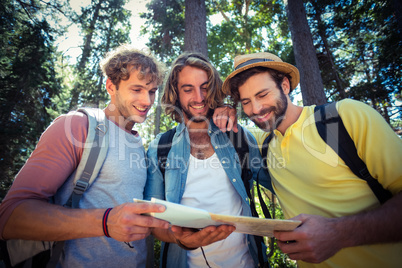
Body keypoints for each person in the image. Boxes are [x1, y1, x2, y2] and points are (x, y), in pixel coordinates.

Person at [213, 51, 402, 268]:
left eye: (263, 94)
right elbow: (224, 128)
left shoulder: (343, 118)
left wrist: (340, 234)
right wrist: (225, 110)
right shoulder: (263, 143)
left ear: (284, 85)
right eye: (246, 102)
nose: (255, 109)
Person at [0, 45, 172, 267]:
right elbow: (11, 216)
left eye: (152, 91)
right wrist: (105, 222)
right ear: (111, 86)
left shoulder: (140, 145)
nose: (148, 101)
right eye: (137, 89)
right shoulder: (77, 126)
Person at [144, 52, 272, 268]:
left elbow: (278, 182)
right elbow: (154, 222)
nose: (199, 97)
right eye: (188, 89)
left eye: (205, 87)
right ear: (175, 93)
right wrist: (181, 239)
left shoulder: (237, 136)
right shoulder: (160, 147)